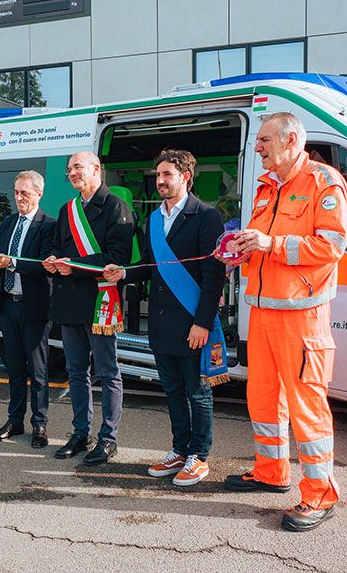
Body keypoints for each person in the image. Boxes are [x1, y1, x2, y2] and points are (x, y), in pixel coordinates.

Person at [220, 113, 347, 532]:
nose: (256, 147)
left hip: (301, 315)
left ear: (291, 139)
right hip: (262, 312)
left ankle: (319, 496)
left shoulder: (324, 183)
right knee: (262, 399)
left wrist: (270, 243)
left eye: (263, 140)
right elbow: (263, 242)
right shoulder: (266, 188)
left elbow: (331, 246)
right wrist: (241, 249)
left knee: (306, 407)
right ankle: (271, 472)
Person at [104, 149, 225, 486]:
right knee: (172, 391)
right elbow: (149, 267)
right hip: (162, 324)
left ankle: (199, 456)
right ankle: (180, 449)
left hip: (191, 324)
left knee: (197, 393)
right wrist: (123, 273)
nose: (160, 181)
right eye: (158, 175)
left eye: (167, 175)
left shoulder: (206, 216)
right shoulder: (154, 220)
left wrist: (202, 323)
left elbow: (213, 277)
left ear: (186, 177)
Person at [43, 152, 134, 465]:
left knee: (108, 372)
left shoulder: (115, 207)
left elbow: (117, 255)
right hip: (69, 301)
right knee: (75, 371)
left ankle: (108, 439)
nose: (72, 173)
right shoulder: (66, 209)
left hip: (99, 300)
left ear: (96, 169)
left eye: (77, 167)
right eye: (69, 169)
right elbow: (57, 246)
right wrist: (54, 261)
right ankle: (81, 432)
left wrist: (75, 266)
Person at [0, 171, 56, 448]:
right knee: (14, 367)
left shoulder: (48, 226)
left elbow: (42, 266)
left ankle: (40, 424)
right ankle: (15, 420)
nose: (18, 198)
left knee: (37, 370)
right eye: (16, 192)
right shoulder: (8, 222)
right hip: (8, 305)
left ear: (39, 193)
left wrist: (10, 263)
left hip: (34, 307)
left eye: (24, 193)